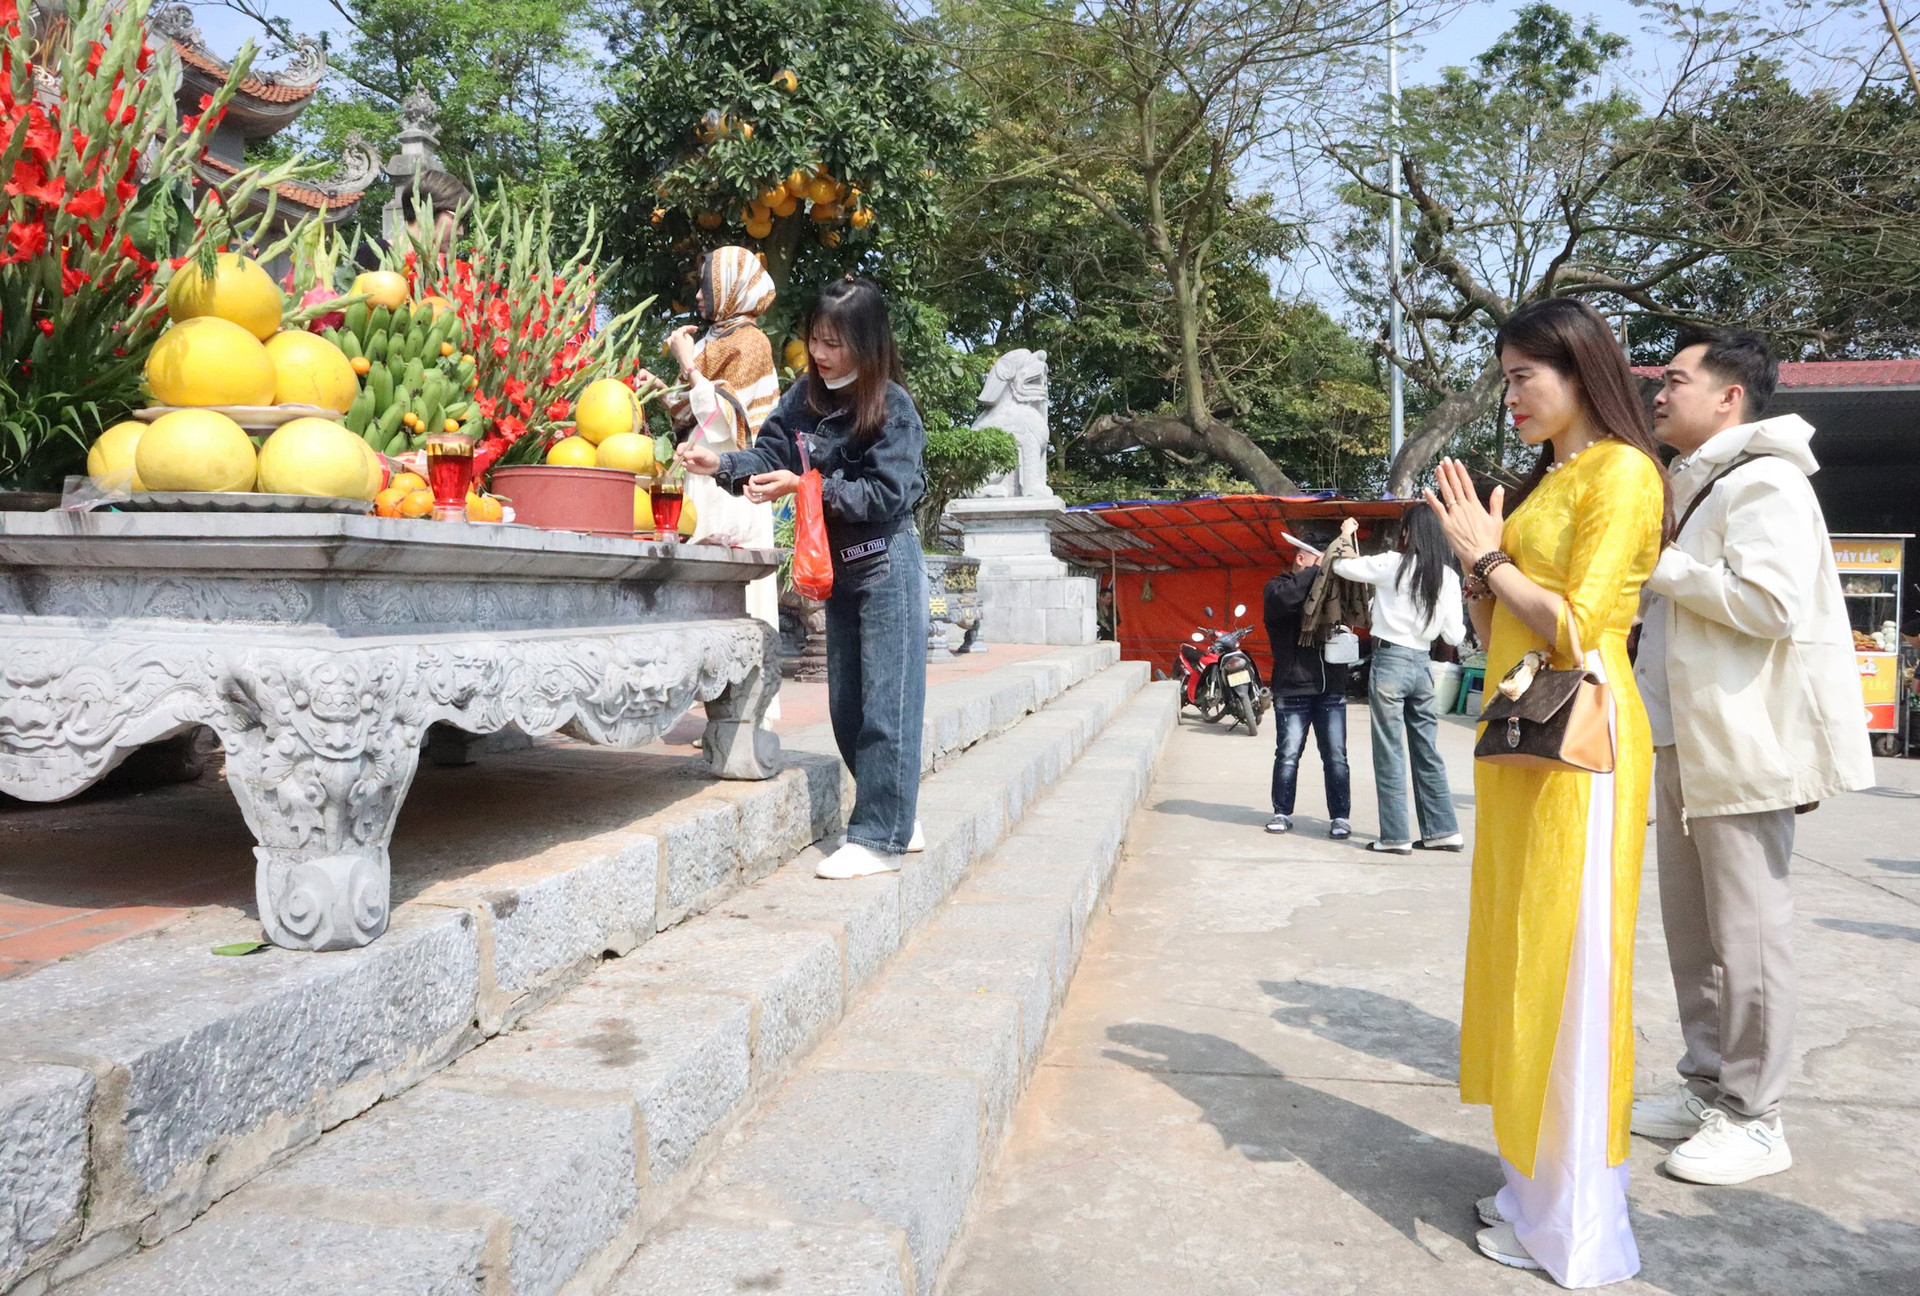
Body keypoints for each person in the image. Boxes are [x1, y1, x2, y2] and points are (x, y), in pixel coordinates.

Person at [1425, 296, 1669, 1287]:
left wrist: (1488, 554)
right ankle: (1533, 1187)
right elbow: (1502, 642)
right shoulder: (1547, 481)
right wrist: (1480, 575)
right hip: (1531, 743)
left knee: (1574, 974)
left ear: (1579, 371)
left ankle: (1576, 1226)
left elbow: (1579, 628)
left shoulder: (1623, 472)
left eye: (1525, 374)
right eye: (1507, 375)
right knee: (1529, 958)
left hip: (1588, 749)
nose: (1511, 394)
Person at [1630, 327, 1873, 1185]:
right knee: (1694, 935)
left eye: (1676, 378)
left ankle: (1757, 1115)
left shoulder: (1764, 481)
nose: (1659, 392)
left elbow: (1768, 605)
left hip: (1742, 743)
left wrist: (1659, 567)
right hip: (1685, 740)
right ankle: (1707, 1088)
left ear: (1730, 396)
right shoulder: (1700, 483)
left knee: (1750, 935)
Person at [677, 277, 928, 880]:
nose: (821, 354)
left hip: (887, 564)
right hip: (838, 572)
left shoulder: (892, 408)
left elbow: (890, 491)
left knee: (886, 708)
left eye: (836, 344)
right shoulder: (802, 400)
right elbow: (771, 457)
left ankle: (879, 838)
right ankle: (895, 815)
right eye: (816, 339)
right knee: (846, 706)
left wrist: (808, 487)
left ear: (868, 345)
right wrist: (724, 465)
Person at [660, 247, 783, 658]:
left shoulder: (752, 343)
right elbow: (691, 412)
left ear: (730, 289)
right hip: (700, 475)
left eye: (707, 286)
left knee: (733, 594)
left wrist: (687, 364)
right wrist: (660, 390)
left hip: (732, 483)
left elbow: (731, 422)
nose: (698, 296)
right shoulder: (715, 338)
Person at [1332, 504, 1466, 855]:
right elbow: (1453, 636)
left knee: (1390, 751)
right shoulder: (1449, 577)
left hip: (1390, 660)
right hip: (1423, 665)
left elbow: (1342, 566)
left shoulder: (1392, 563)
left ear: (1408, 532)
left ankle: (1395, 837)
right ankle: (1443, 831)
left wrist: (1346, 536)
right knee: (1427, 750)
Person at [1262, 542, 1352, 838]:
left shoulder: (1331, 592)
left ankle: (1340, 817)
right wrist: (1317, 570)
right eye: (1316, 560)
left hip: (1331, 688)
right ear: (1300, 558)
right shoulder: (1277, 587)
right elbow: (1288, 599)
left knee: (1336, 756)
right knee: (1288, 754)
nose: (1323, 568)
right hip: (1292, 686)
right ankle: (1281, 812)